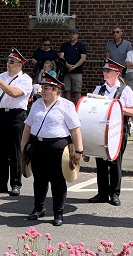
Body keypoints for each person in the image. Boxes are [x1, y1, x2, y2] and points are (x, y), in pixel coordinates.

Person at [21, 73, 83, 226]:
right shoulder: (36, 104)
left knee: (57, 181)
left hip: (58, 149)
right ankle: (39, 208)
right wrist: (23, 147)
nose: (42, 91)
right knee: (39, 180)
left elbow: (75, 130)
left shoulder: (66, 105)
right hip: (38, 146)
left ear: (56, 90)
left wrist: (79, 151)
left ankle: (58, 212)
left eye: (46, 88)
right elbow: (28, 126)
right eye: (42, 88)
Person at [88, 59, 133, 206]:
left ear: (117, 73)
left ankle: (114, 194)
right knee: (101, 162)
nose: (104, 73)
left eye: (108, 71)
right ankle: (102, 193)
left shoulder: (125, 90)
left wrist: (116, 108)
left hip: (118, 131)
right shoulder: (99, 89)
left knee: (115, 162)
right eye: (104, 70)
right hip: (101, 131)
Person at [0, 49, 32, 197]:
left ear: (20, 64)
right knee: (1, 151)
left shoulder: (25, 79)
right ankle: (1, 184)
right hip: (0, 115)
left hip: (15, 116)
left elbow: (13, 93)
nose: (8, 64)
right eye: (8, 61)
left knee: (14, 151)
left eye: (12, 62)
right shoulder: (2, 76)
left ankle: (15, 184)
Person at [59, 29, 87, 103]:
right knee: (67, 89)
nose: (72, 35)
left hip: (77, 72)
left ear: (77, 35)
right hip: (66, 71)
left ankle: (77, 106)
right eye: (71, 34)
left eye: (74, 34)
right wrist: (67, 65)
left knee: (77, 90)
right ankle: (68, 104)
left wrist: (74, 66)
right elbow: (61, 57)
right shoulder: (64, 45)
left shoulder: (81, 46)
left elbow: (83, 58)